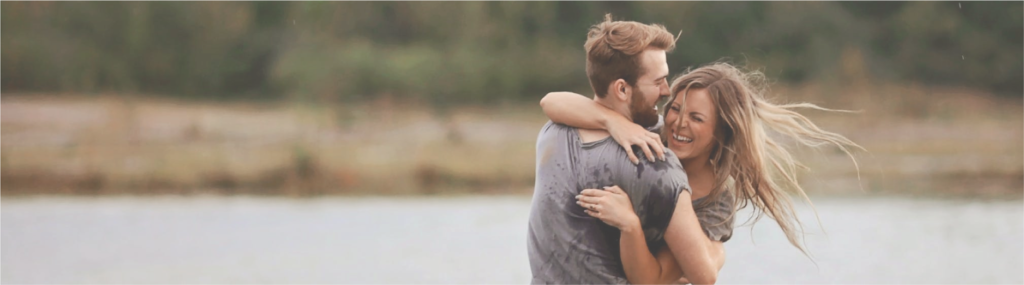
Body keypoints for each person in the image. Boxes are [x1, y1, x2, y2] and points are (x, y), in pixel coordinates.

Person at [541, 62, 862, 284]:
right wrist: (614, 123)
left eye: (696, 118)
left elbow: (657, 280)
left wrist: (631, 225)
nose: (679, 124)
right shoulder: (649, 134)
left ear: (721, 131)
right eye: (676, 109)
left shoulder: (716, 202)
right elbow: (551, 101)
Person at [527, 15, 721, 285]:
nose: (667, 91)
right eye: (658, 81)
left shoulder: (552, 133)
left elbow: (550, 101)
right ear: (622, 89)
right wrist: (716, 251)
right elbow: (704, 275)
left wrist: (611, 120)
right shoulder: (654, 162)